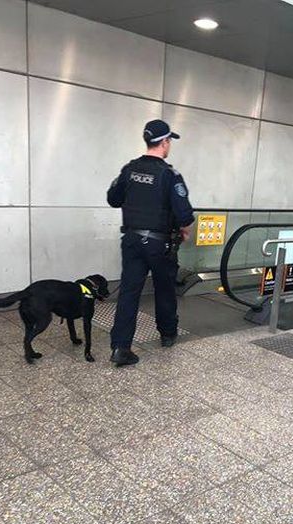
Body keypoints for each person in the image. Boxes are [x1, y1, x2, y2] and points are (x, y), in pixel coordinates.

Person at [107, 119, 194, 366]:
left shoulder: (129, 170)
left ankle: (120, 347)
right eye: (169, 141)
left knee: (129, 293)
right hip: (160, 244)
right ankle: (167, 334)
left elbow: (113, 199)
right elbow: (185, 214)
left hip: (132, 240)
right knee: (164, 289)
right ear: (164, 142)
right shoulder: (169, 175)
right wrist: (183, 230)